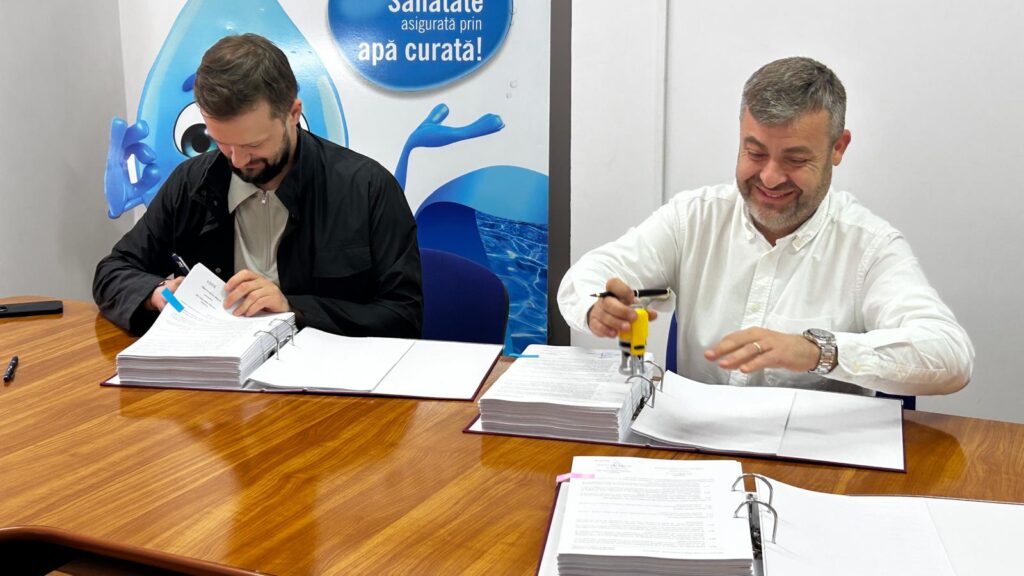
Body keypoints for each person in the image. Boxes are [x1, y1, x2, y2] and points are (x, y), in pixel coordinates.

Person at [558, 56, 973, 396]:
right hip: (697, 452)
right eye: (754, 153)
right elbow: (588, 275)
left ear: (838, 147)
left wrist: (817, 352)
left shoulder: (870, 246)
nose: (770, 178)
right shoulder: (693, 217)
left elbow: (951, 355)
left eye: (795, 159)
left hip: (815, 460)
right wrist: (598, 306)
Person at [94, 33, 422, 337]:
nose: (237, 161)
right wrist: (157, 294)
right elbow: (113, 271)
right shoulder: (190, 183)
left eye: (253, 145)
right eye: (222, 143)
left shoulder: (367, 188)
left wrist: (294, 309)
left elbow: (404, 316)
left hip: (330, 375)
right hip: (216, 372)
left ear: (293, 113)